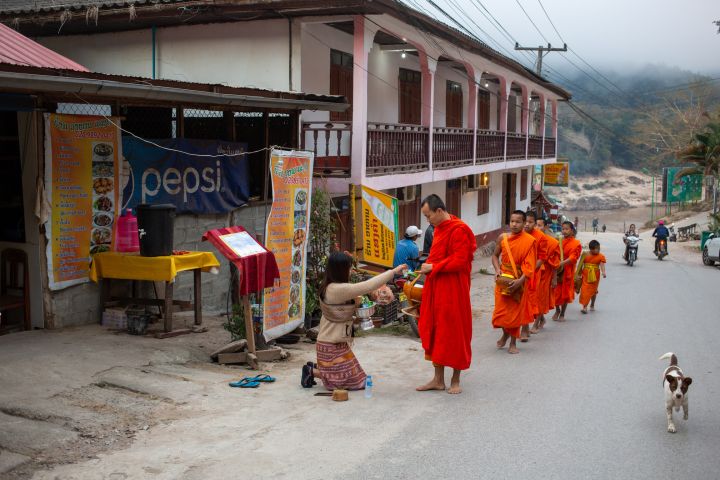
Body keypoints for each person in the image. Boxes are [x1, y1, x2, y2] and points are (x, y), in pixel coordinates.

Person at [301, 252, 407, 390]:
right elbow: (367, 285)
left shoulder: (331, 285)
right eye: (349, 268)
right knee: (347, 383)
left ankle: (320, 368)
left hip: (336, 342)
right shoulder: (337, 289)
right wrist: (393, 272)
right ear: (340, 270)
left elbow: (357, 297)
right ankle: (311, 371)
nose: (351, 271)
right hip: (330, 344)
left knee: (359, 379)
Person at [416, 195, 476, 394]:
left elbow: (460, 260)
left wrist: (433, 267)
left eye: (428, 215)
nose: (427, 220)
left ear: (439, 211)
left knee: (455, 330)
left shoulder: (459, 229)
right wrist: (428, 269)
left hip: (454, 288)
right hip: (436, 285)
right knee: (436, 330)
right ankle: (438, 379)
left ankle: (456, 380)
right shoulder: (438, 229)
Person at [491, 210, 537, 354]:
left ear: (524, 223)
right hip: (503, 280)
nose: (514, 224)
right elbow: (494, 256)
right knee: (501, 314)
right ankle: (505, 333)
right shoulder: (502, 238)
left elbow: (529, 266)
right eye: (512, 221)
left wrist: (520, 281)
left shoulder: (529, 241)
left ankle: (512, 342)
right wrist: (497, 270)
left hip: (519, 280)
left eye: (518, 222)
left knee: (515, 314)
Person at [521, 211, 548, 341]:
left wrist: (529, 270)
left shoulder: (541, 237)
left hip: (534, 273)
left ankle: (525, 328)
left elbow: (542, 258)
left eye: (530, 222)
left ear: (535, 223)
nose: (527, 225)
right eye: (525, 222)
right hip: (517, 272)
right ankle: (523, 326)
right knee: (520, 299)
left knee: (529, 299)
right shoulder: (517, 235)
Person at [531, 217, 560, 333]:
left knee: (541, 298)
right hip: (532, 271)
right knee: (532, 298)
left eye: (540, 225)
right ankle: (541, 319)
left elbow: (555, 263)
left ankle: (535, 324)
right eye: (536, 225)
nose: (537, 228)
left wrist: (554, 278)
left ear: (546, 227)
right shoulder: (530, 239)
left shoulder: (552, 243)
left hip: (545, 273)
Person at [552, 221, 582, 322]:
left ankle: (562, 313)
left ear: (572, 230)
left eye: (566, 229)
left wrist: (561, 264)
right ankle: (557, 310)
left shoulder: (576, 243)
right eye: (563, 229)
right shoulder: (558, 241)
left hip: (568, 271)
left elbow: (573, 258)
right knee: (555, 292)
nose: (564, 231)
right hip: (557, 270)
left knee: (565, 294)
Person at [578, 240, 607, 314]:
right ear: (590, 249)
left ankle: (592, 304)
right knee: (584, 290)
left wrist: (603, 272)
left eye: (598, 248)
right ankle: (585, 307)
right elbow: (581, 264)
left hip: (595, 275)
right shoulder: (585, 254)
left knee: (593, 291)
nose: (597, 250)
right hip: (586, 274)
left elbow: (602, 265)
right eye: (595, 249)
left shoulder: (601, 256)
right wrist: (579, 273)